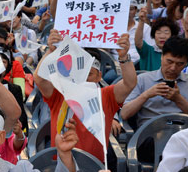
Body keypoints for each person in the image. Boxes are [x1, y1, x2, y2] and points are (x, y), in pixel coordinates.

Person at [34, 30, 137, 163]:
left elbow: (130, 84)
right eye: (79, 73)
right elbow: (39, 79)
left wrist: (124, 57)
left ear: (99, 76)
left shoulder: (106, 96)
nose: (83, 79)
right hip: (60, 168)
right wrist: (51, 52)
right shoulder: (60, 93)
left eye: (88, 75)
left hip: (94, 169)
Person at [121, 36, 188, 126]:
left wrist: (178, 99)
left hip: (181, 132)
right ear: (161, 56)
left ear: (187, 63)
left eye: (180, 64)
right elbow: (124, 114)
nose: (173, 68)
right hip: (149, 132)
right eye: (169, 61)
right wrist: (146, 95)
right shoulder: (143, 79)